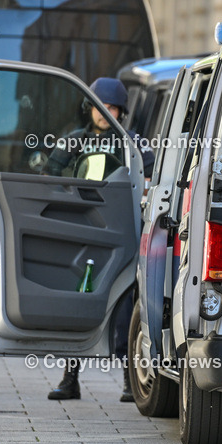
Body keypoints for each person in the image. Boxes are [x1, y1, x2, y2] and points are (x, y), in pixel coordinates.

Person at [47, 77, 154, 402]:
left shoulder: (132, 143)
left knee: (124, 306)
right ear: (89, 107)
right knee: (79, 304)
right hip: (83, 232)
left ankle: (128, 379)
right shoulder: (73, 142)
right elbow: (48, 178)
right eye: (99, 106)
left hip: (121, 233)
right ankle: (70, 379)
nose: (104, 113)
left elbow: (151, 178)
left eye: (111, 108)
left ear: (120, 111)